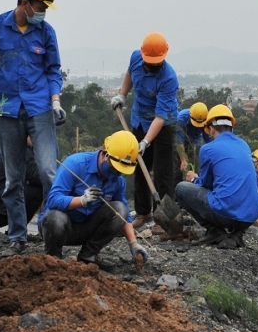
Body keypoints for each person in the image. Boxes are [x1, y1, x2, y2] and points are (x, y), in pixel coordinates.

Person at [0, 0, 65, 258]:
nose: (44, 12)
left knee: (50, 172)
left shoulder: (46, 33)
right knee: (14, 178)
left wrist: (55, 99)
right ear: (25, 3)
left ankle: (54, 232)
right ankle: (17, 237)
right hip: (7, 110)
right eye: (41, 6)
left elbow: (53, 70)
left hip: (40, 109)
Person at [38, 131, 148, 269]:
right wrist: (81, 200)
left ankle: (87, 256)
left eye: (120, 171)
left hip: (87, 228)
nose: (116, 173)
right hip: (59, 228)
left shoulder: (118, 180)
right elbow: (53, 200)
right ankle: (53, 260)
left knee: (120, 208)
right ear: (104, 153)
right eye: (114, 168)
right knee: (56, 217)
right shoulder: (75, 164)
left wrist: (133, 243)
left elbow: (123, 214)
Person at [110, 32, 179, 229]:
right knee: (139, 164)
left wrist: (145, 142)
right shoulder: (135, 58)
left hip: (163, 123)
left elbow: (160, 117)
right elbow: (130, 74)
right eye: (149, 62)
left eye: (156, 63)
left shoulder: (169, 78)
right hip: (140, 119)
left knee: (162, 171)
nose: (152, 65)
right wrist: (122, 94)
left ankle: (164, 217)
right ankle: (143, 212)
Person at [177, 105, 258, 249]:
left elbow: (205, 184)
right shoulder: (244, 145)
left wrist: (193, 178)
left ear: (210, 128)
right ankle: (237, 234)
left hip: (225, 214)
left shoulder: (208, 149)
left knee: (181, 189)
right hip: (251, 215)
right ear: (231, 127)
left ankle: (215, 231)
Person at [176, 102, 209, 173]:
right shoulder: (181, 119)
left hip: (196, 138)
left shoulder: (207, 119)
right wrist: (183, 160)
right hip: (182, 138)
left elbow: (207, 139)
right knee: (178, 164)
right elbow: (179, 141)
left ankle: (196, 179)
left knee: (197, 160)